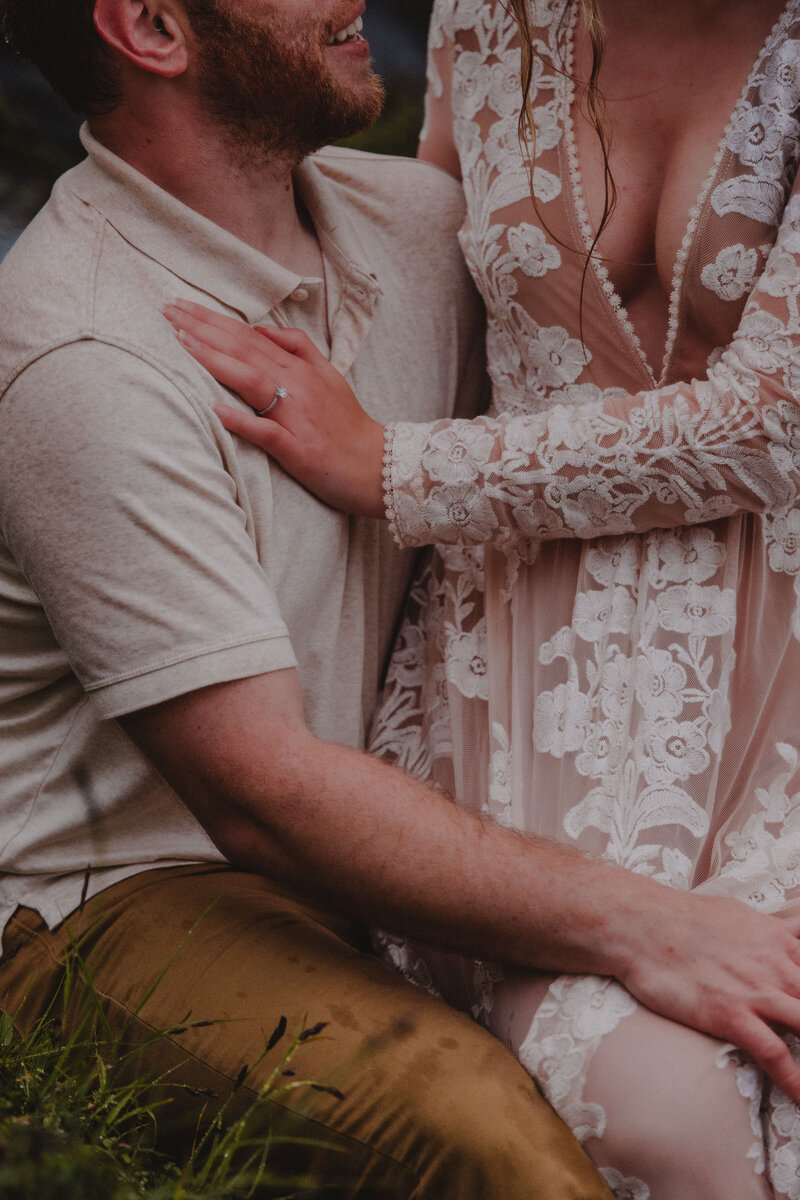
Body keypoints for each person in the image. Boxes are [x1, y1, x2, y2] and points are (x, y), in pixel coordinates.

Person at [159, 0, 800, 1195]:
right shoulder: (486, 12)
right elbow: (429, 280)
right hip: (510, 676)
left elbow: (776, 426)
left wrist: (388, 467)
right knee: (659, 1109)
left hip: (772, 681)